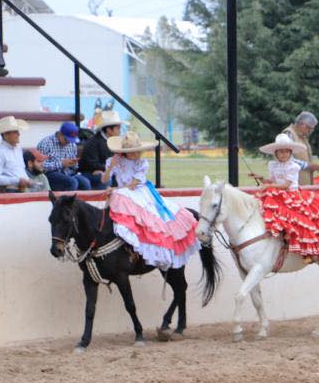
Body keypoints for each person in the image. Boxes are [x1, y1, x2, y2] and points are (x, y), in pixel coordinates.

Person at [103, 131, 200, 269]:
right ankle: (123, 247)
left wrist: (115, 190)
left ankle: (137, 250)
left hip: (136, 192)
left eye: (137, 151)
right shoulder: (115, 161)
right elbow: (104, 179)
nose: (136, 154)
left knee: (147, 222)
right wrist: (111, 167)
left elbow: (133, 185)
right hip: (121, 194)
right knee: (114, 216)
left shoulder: (141, 163)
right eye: (132, 152)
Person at [257, 133, 319, 259]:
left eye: (286, 151)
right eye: (280, 152)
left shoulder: (293, 166)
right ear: (275, 153)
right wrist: (262, 179)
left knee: (300, 220)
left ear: (290, 152)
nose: (283, 154)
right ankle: (276, 238)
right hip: (278, 193)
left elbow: (286, 185)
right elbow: (271, 181)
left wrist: (269, 187)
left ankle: (306, 250)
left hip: (292, 195)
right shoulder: (273, 165)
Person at [37, 122, 90, 191]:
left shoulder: (72, 145)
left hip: (67, 173)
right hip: (49, 174)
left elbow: (74, 168)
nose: (68, 142)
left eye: (71, 140)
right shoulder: (45, 143)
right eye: (66, 139)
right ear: (59, 134)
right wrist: (61, 164)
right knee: (72, 182)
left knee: (85, 183)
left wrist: (73, 163)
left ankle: (81, 201)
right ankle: (65, 201)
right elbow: (40, 166)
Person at [78, 109, 123, 190]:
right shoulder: (93, 142)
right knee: (106, 179)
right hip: (89, 173)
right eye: (118, 128)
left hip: (107, 170)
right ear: (109, 130)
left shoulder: (114, 141)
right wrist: (107, 169)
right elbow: (92, 164)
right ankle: (101, 199)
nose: (120, 131)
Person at [0, 116, 35, 192]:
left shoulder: (18, 149)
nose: (19, 134)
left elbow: (19, 170)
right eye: (16, 132)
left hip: (23, 189)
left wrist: (26, 180)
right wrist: (17, 180)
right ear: (6, 135)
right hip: (10, 190)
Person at [279, 110, 319, 187]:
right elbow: (287, 159)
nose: (310, 131)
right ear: (303, 124)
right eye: (310, 128)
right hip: (292, 186)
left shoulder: (301, 137)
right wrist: (307, 166)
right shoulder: (289, 134)